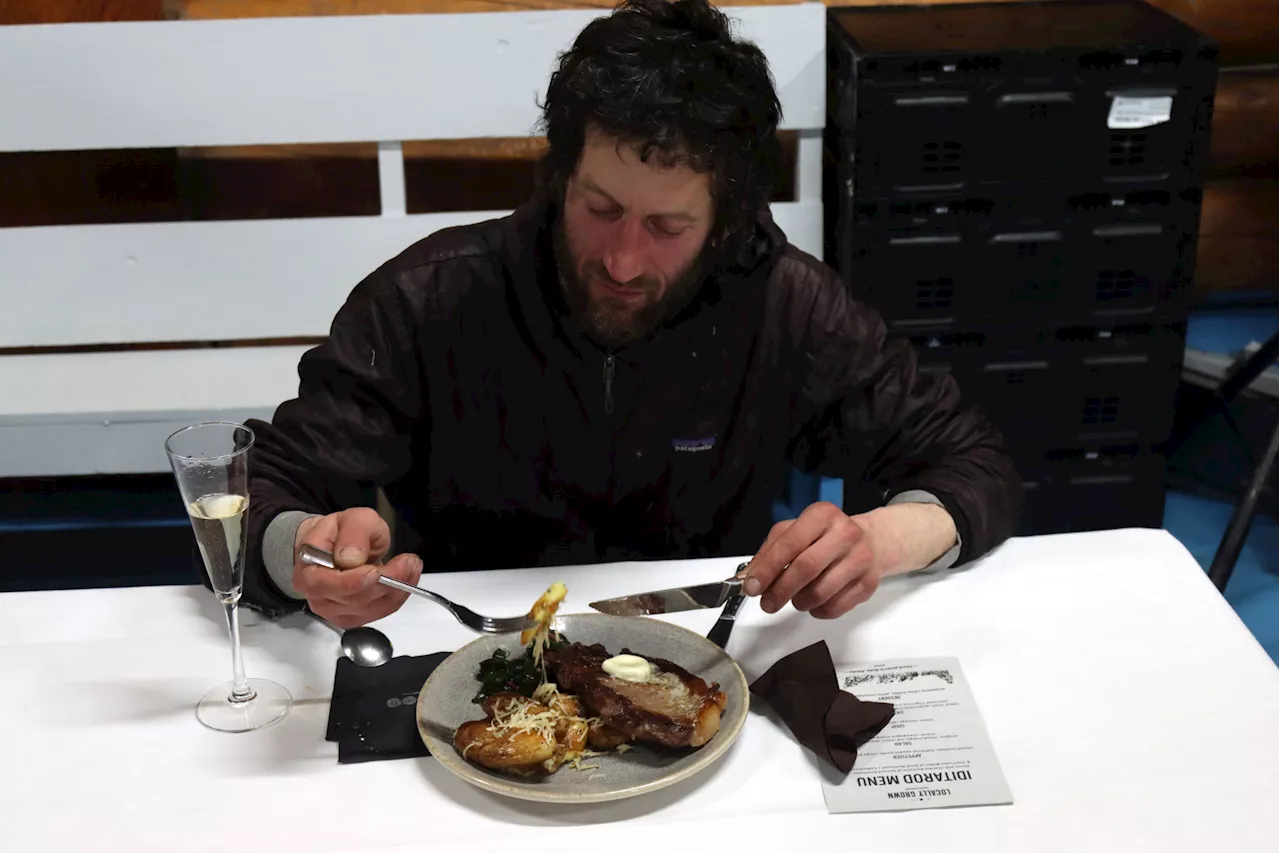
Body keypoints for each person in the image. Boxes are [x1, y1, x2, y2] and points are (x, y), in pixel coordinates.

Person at [232, 0, 1022, 628]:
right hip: (469, 654)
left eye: (668, 228)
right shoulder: (428, 298)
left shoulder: (783, 303)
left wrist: (874, 541)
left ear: (726, 221)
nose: (622, 260)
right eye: (599, 207)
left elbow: (971, 463)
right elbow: (262, 489)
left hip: (699, 661)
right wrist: (303, 552)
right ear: (558, 178)